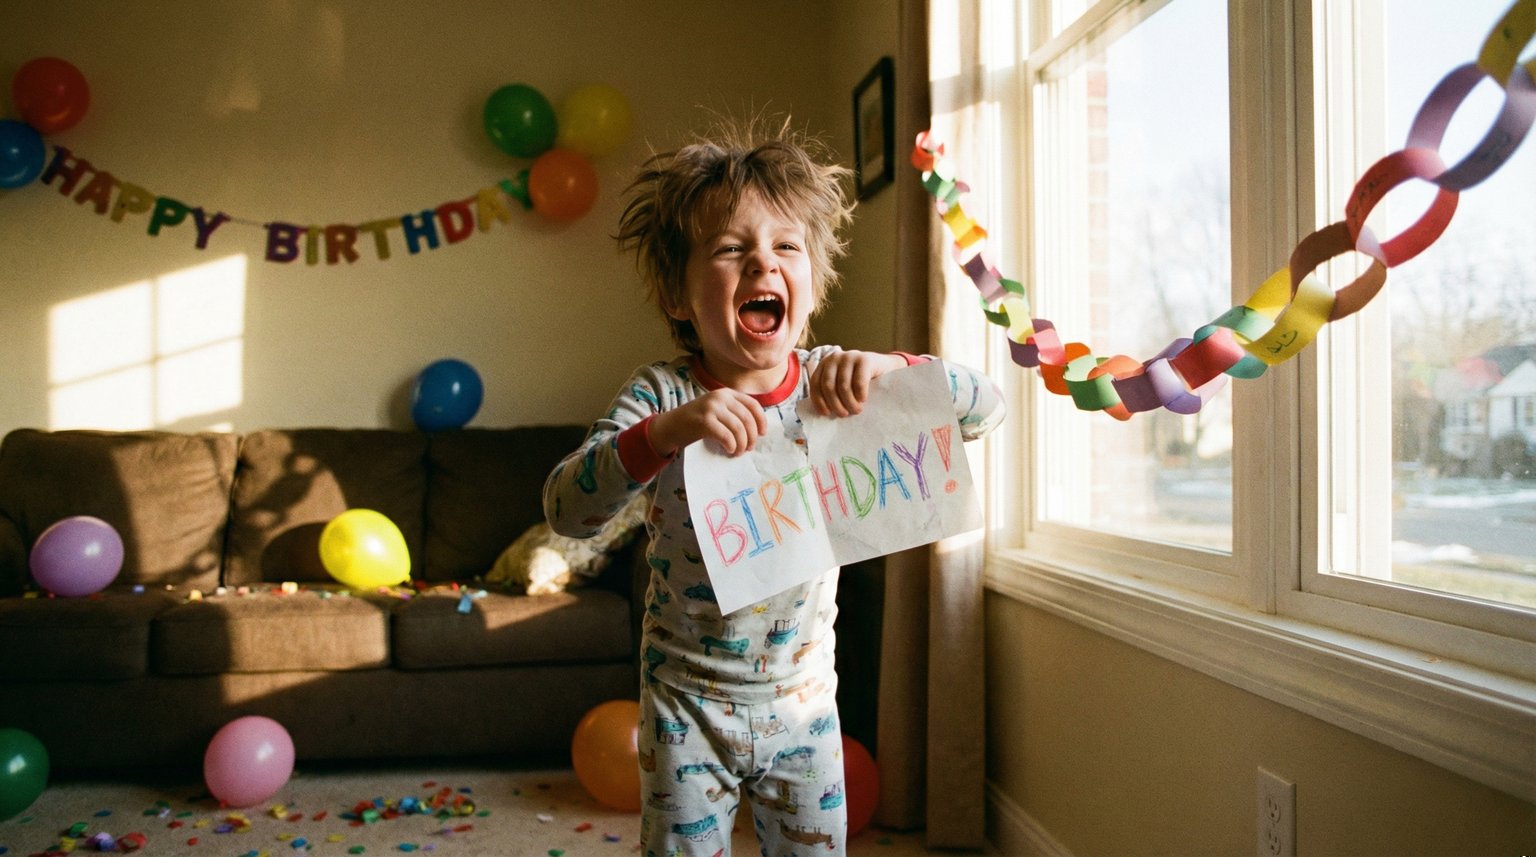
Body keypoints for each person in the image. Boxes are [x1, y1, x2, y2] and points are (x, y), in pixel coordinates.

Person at [543, 116, 1004, 856]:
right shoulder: (662, 396)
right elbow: (567, 510)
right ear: (678, 295)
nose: (763, 261)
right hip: (685, 705)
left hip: (805, 705)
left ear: (812, 285)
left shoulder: (839, 384)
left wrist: (899, 369)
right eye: (730, 249)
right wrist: (661, 435)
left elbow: (989, 408)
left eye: (786, 247)